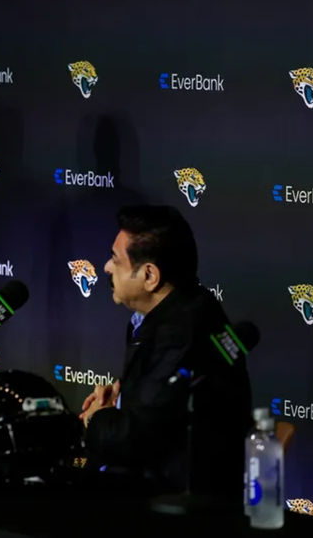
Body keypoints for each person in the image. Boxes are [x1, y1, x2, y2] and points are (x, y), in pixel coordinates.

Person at [78, 205, 252, 502]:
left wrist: (96, 419)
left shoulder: (180, 333)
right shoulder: (175, 310)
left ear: (149, 276)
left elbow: (137, 440)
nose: (106, 267)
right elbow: (158, 408)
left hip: (177, 504)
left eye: (115, 259)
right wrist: (121, 399)